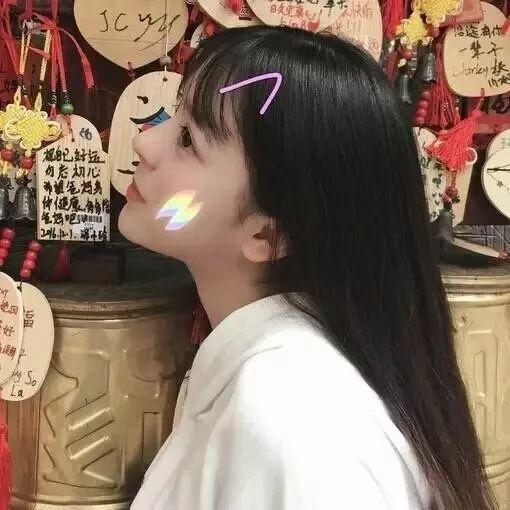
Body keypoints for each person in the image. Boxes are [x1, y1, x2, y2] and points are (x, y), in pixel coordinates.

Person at [119, 26, 496, 510]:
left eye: (189, 139)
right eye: (176, 117)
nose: (146, 143)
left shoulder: (290, 419)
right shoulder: (283, 384)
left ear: (267, 235)